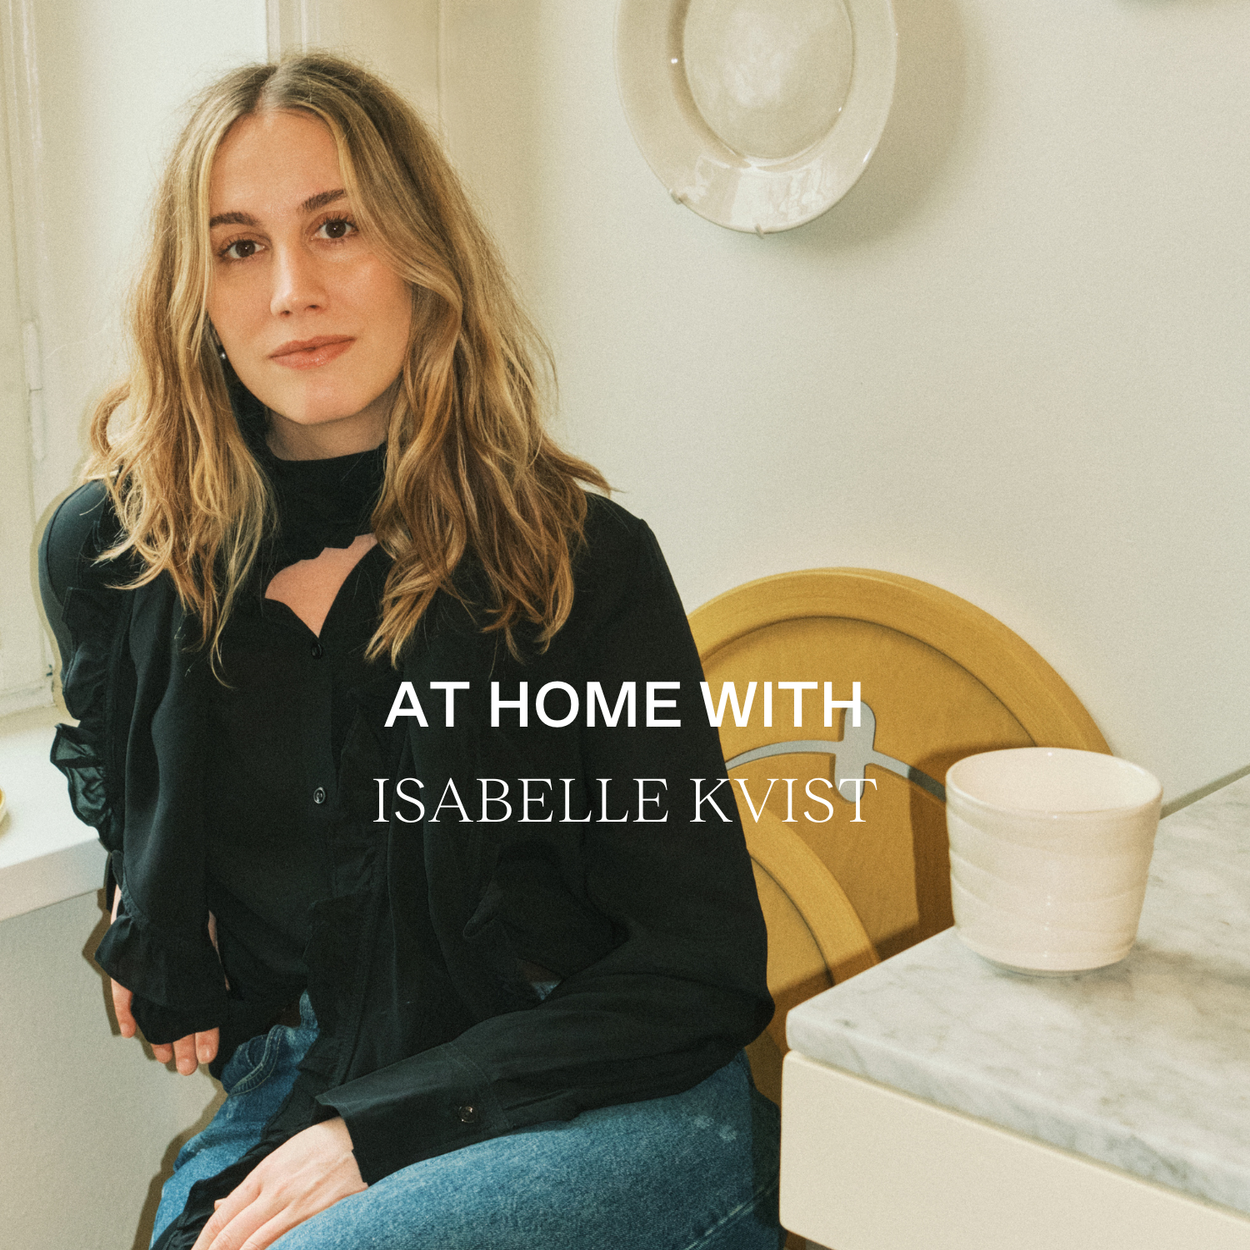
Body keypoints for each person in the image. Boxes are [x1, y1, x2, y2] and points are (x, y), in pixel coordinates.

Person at [39, 53, 781, 1250]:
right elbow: (111, 740)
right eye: (238, 245)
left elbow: (697, 967)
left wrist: (377, 1131)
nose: (291, 288)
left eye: (336, 226)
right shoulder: (119, 554)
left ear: (418, 256)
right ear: (196, 290)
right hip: (315, 1072)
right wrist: (148, 876)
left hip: (598, 1086)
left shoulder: (576, 562)